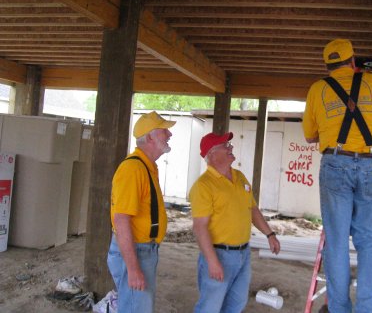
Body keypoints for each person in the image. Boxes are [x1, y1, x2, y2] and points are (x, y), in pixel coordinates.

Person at [302, 39, 372, 313]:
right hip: (371, 165)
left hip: (335, 164)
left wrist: (331, 126)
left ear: (328, 67)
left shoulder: (317, 89)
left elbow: (309, 135)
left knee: (337, 241)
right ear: (353, 63)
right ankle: (366, 308)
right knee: (367, 241)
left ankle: (339, 309)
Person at [189, 131, 281, 313]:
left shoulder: (240, 176)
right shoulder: (203, 185)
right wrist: (212, 261)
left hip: (243, 253)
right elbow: (200, 227)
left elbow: (252, 210)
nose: (231, 147)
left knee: (236, 305)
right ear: (212, 154)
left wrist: (269, 234)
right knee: (210, 307)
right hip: (219, 254)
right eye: (226, 145)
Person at [107, 111, 176, 313]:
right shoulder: (133, 169)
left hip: (144, 250)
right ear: (151, 137)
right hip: (135, 251)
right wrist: (133, 268)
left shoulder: (147, 166)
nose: (169, 135)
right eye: (165, 131)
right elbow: (121, 220)